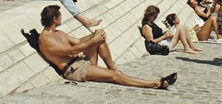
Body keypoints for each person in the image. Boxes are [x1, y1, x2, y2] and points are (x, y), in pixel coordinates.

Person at [38, 5, 177, 89]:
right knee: (113, 76)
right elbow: (71, 50)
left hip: (80, 61)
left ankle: (114, 68)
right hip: (74, 69)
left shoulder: (59, 33)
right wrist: (93, 39)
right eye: (60, 16)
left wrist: (95, 35)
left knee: (100, 40)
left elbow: (78, 41)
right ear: (54, 19)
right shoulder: (46, 40)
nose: (62, 18)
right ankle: (155, 83)